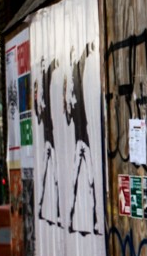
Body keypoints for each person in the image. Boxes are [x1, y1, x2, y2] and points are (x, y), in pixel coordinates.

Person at [64, 42, 99, 236]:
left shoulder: (77, 81)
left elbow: (82, 62)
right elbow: (68, 119)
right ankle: (69, 220)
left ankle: (93, 222)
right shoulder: (69, 92)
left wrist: (86, 49)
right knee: (76, 181)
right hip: (79, 141)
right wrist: (68, 108)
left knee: (91, 181)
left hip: (84, 138)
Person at [35, 56, 60, 228]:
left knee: (49, 175)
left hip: (49, 136)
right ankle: (47, 208)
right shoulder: (40, 90)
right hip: (47, 137)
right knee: (47, 175)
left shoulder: (44, 83)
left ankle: (50, 209)